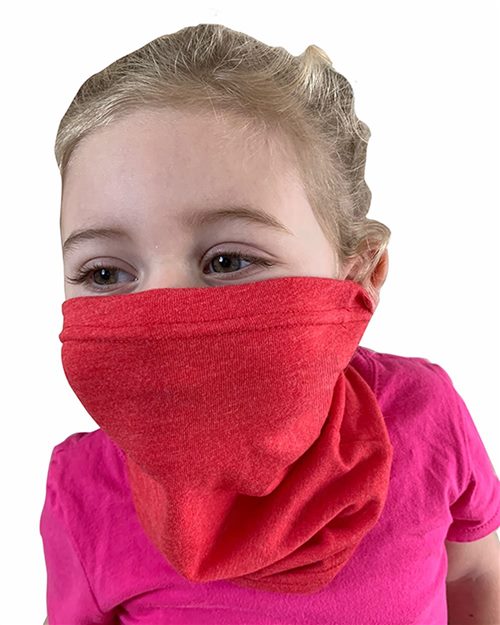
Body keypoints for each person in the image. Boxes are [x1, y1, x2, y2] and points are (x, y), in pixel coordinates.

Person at [40, 23, 500, 625]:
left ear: (359, 276)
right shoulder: (83, 490)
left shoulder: (427, 416)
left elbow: (474, 572)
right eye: (104, 273)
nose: (162, 311)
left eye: (227, 261)